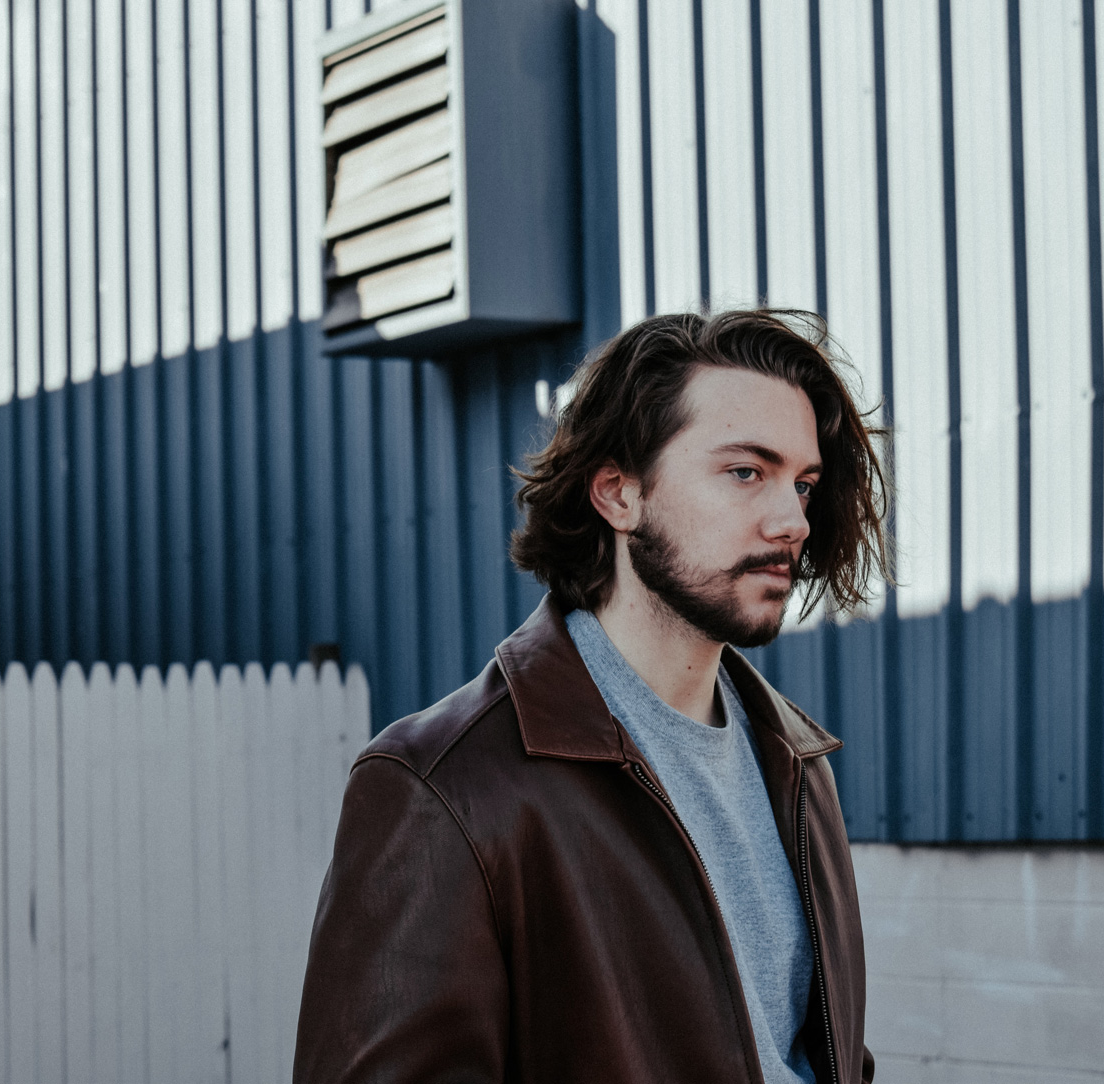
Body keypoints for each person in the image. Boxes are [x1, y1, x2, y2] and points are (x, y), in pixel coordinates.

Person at [294, 310, 889, 1083]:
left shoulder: (800, 767)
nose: (792, 521)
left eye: (803, 484)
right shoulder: (444, 788)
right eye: (747, 472)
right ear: (618, 494)